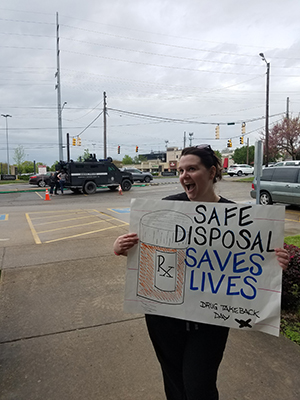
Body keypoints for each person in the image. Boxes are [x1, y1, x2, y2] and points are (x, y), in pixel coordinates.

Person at [113, 145, 289, 400]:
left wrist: (275, 262)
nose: (184, 175)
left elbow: (257, 260)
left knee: (199, 387)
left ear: (212, 172)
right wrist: (119, 246)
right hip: (164, 316)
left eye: (192, 169)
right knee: (174, 382)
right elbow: (142, 248)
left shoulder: (238, 218)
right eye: (181, 169)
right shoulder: (166, 207)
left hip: (210, 320)